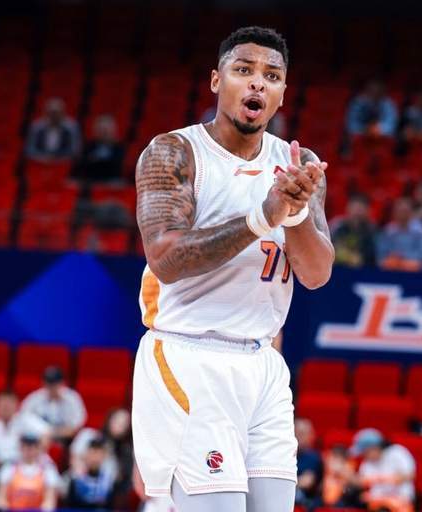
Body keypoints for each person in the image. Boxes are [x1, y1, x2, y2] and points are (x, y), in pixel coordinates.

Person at [133, 26, 334, 512]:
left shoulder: (298, 163)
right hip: (189, 353)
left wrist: (296, 214)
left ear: (282, 93)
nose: (258, 82)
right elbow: (166, 259)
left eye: (272, 76)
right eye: (244, 70)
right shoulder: (174, 152)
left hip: (263, 364)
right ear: (216, 81)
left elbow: (316, 274)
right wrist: (262, 217)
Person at [351, 429, 416, 512]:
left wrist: (385, 478)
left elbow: (410, 475)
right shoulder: (367, 462)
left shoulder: (397, 452)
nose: (363, 455)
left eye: (365, 452)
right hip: (377, 501)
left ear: (374, 448)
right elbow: (361, 481)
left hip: (401, 499)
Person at [0, 390, 51, 469]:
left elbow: (47, 433)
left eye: (8, 405)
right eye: (2, 405)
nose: (5, 408)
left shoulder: (25, 420)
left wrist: (34, 452)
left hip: (23, 464)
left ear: (16, 405)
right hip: (0, 467)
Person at [21, 366, 87, 441]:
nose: (51, 387)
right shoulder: (35, 398)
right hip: (39, 439)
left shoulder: (72, 398)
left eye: (54, 384)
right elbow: (24, 418)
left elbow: (75, 428)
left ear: (62, 383)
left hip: (66, 440)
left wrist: (52, 433)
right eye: (48, 383)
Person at [0, 433, 60, 511]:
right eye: (26, 447)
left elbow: (49, 500)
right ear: (21, 448)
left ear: (38, 449)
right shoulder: (8, 468)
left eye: (33, 447)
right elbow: (1, 497)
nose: (29, 451)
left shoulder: (48, 469)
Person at [377, 197, 422, 270]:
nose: (402, 214)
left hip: (415, 268)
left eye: (405, 211)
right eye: (399, 211)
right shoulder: (388, 230)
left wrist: (403, 259)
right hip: (392, 267)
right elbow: (381, 254)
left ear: (411, 212)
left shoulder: (421, 230)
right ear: (394, 213)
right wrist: (393, 259)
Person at [66, 438, 117, 509]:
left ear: (104, 456)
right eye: (92, 454)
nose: (94, 459)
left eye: (98, 454)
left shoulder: (109, 482)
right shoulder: (76, 480)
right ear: (86, 455)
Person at [330, 193, 378, 267]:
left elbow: (372, 256)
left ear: (367, 211)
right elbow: (330, 249)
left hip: (364, 270)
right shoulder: (337, 226)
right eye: (354, 208)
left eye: (360, 209)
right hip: (337, 268)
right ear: (347, 208)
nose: (357, 213)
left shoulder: (372, 230)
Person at [77, 115, 125, 183]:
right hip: (91, 179)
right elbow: (83, 164)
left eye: (105, 130)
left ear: (112, 131)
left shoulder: (119, 148)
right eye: (100, 130)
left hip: (111, 180)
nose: (103, 133)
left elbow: (116, 166)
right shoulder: (88, 147)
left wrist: (95, 160)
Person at [294, 418, 323, 510]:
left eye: (302, 433)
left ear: (311, 436)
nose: (298, 437)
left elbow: (307, 482)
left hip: (307, 503)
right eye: (296, 433)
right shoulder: (285, 455)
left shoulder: (313, 457)